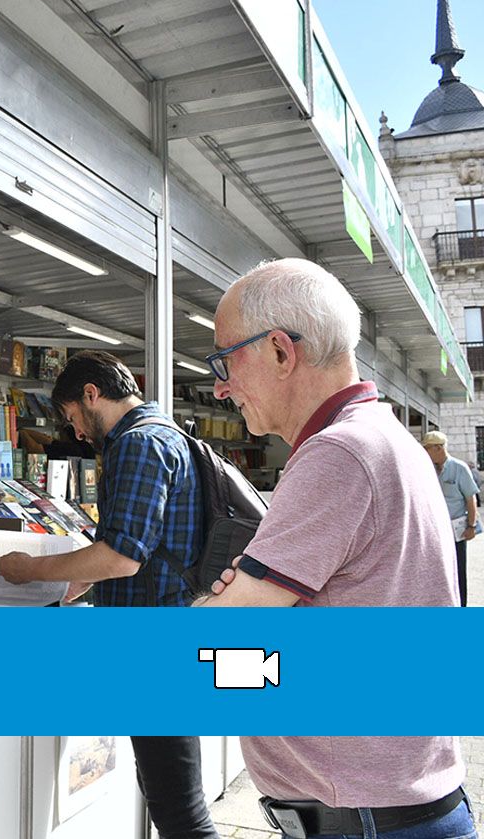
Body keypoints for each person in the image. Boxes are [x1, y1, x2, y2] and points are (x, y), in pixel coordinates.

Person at [198, 258, 471, 839]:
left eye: (225, 359)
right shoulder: (385, 438)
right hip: (397, 807)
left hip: (366, 820)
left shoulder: (338, 455)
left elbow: (213, 648)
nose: (220, 386)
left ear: (279, 350)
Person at [0, 351, 217, 839]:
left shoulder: (138, 444)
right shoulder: (167, 434)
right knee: (170, 794)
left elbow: (123, 555)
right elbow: (148, 545)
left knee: (180, 811)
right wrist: (80, 578)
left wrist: (30, 569)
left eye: (73, 416)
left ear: (91, 395)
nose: (75, 432)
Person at [422, 430, 478, 606]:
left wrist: (471, 525)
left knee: (458, 569)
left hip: (456, 529)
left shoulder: (459, 468)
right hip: (436, 529)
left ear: (438, 448)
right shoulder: (428, 469)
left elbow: (471, 498)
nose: (426, 452)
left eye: (428, 449)